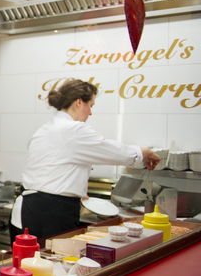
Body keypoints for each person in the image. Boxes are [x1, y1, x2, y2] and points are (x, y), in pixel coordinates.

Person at [10, 78, 160, 246]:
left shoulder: (47, 128)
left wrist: (76, 187)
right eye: (91, 105)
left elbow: (54, 167)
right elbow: (109, 151)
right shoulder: (73, 130)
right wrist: (143, 153)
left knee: (27, 267)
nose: (91, 112)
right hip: (49, 214)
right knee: (49, 265)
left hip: (29, 211)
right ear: (79, 102)